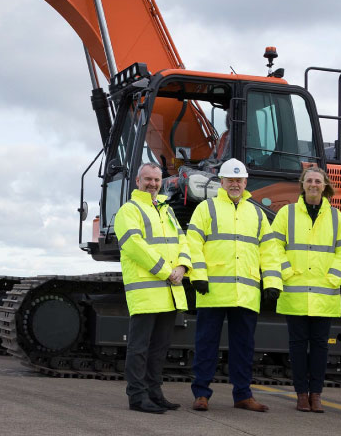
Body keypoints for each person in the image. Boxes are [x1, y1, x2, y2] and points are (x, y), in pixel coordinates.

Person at [186, 158, 283, 413]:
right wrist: (197, 275)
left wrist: (272, 282)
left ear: (245, 182)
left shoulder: (257, 213)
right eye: (230, 180)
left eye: (239, 180)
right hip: (213, 291)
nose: (235, 184)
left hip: (246, 294)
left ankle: (243, 395)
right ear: (222, 181)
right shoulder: (206, 209)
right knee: (206, 345)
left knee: (244, 348)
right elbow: (192, 243)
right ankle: (201, 394)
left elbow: (269, 251)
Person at [273, 166, 341, 414]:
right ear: (302, 184)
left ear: (325, 185)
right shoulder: (287, 213)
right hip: (295, 290)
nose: (314, 184)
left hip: (324, 292)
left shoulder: (336, 216)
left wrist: (335, 276)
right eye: (309, 180)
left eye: (318, 181)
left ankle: (316, 395)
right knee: (297, 346)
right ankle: (301, 395)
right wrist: (285, 271)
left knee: (320, 346)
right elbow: (273, 244)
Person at [115, 162, 193, 414]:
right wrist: (166, 270)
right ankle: (137, 396)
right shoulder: (129, 210)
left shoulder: (166, 210)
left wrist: (183, 266)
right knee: (139, 348)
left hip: (170, 290)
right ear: (138, 181)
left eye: (157, 180)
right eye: (147, 179)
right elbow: (134, 246)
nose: (153, 184)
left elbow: (182, 240)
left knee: (159, 348)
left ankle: (154, 392)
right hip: (147, 291)